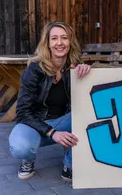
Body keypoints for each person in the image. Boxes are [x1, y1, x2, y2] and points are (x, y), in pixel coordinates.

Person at [8, 21, 91, 181]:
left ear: (70, 42)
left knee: (92, 117)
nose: (59, 43)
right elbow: (22, 112)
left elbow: (86, 101)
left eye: (64, 38)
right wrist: (53, 133)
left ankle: (70, 163)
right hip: (33, 124)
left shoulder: (73, 69)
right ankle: (28, 160)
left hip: (61, 122)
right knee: (20, 147)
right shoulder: (33, 70)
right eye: (54, 38)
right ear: (47, 43)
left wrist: (86, 73)